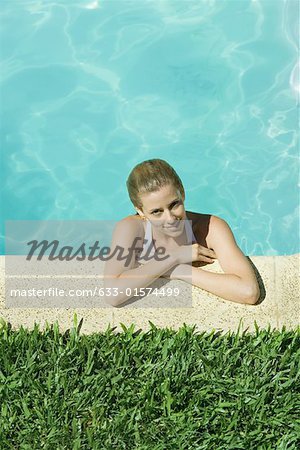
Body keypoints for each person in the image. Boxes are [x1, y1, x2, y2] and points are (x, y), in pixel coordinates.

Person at [104, 159, 260, 307]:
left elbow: (249, 292)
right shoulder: (131, 229)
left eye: (174, 204)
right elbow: (113, 295)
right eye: (156, 212)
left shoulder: (210, 228)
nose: (170, 218)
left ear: (182, 193)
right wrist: (175, 256)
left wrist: (179, 270)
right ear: (140, 210)